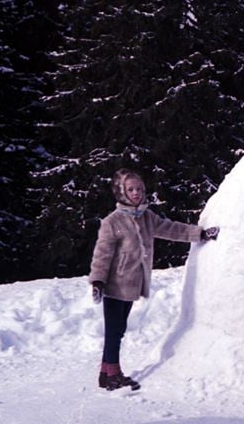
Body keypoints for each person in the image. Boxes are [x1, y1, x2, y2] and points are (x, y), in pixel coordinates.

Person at [89, 168, 219, 391]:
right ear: (121, 192)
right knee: (114, 330)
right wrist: (98, 281)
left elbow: (171, 229)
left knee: (117, 329)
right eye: (131, 189)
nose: (136, 193)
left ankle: (105, 373)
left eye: (139, 188)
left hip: (131, 284)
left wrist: (199, 234)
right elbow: (102, 253)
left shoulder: (147, 217)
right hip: (113, 284)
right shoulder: (113, 222)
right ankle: (113, 374)